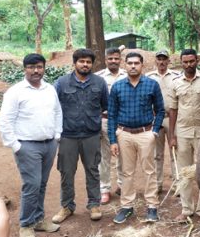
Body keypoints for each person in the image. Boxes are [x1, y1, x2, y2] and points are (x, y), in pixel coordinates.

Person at [0, 53, 62, 237]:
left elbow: (57, 112)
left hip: (49, 144)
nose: (36, 71)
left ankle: (39, 220)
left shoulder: (50, 89)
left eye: (39, 67)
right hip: (27, 146)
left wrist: (57, 135)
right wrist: (16, 146)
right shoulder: (16, 92)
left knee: (41, 184)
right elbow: (5, 121)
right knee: (32, 185)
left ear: (44, 68)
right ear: (24, 69)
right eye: (31, 67)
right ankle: (26, 225)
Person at [108, 52, 165, 224]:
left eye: (136, 63)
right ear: (125, 65)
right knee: (126, 172)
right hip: (124, 134)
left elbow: (161, 110)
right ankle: (126, 207)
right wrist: (113, 140)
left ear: (142, 65)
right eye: (130, 63)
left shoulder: (152, 85)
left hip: (145, 133)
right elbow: (112, 115)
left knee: (149, 171)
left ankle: (152, 206)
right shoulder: (117, 87)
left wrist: (154, 131)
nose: (133, 66)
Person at [52, 49, 108, 223]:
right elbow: (53, 107)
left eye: (88, 62)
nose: (85, 64)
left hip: (91, 135)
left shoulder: (99, 83)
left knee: (93, 170)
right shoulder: (61, 83)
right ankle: (67, 206)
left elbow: (105, 105)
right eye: (82, 61)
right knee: (66, 172)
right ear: (74, 63)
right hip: (68, 135)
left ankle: (94, 205)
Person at [169, 48, 200, 222]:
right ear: (181, 62)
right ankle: (186, 209)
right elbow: (173, 110)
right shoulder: (175, 82)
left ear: (197, 61)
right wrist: (172, 135)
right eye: (185, 62)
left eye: (191, 61)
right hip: (183, 133)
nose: (188, 65)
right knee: (184, 173)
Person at [95, 47, 127, 204]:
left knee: (124, 156)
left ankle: (122, 185)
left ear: (120, 59)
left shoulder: (128, 76)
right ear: (105, 59)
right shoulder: (98, 77)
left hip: (123, 121)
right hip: (105, 121)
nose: (113, 61)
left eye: (116, 58)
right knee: (104, 156)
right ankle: (105, 189)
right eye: (110, 58)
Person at [146, 49, 179, 193]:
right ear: (155, 61)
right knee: (156, 154)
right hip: (156, 118)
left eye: (164, 59)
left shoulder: (176, 76)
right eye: (159, 59)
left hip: (173, 118)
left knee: (175, 152)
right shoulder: (148, 77)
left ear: (168, 61)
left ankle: (178, 185)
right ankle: (157, 184)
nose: (161, 62)